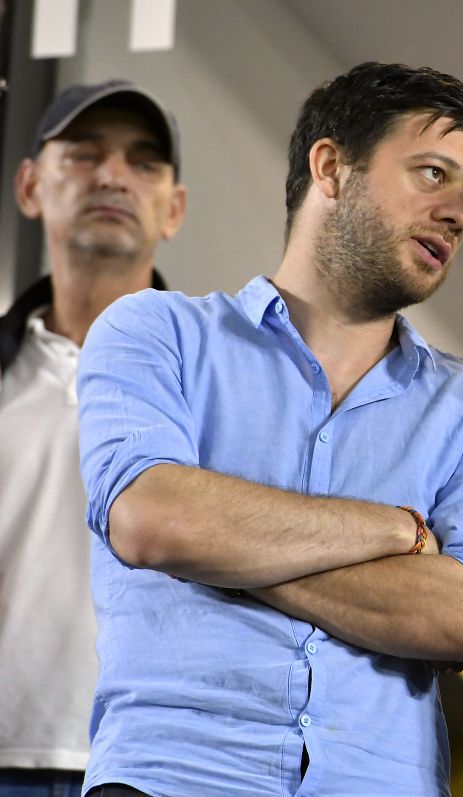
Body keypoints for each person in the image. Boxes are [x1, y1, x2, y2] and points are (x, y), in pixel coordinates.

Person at [75, 62, 463, 796]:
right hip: (172, 778)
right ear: (330, 167)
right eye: (433, 174)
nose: (459, 213)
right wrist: (397, 531)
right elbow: (152, 521)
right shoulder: (154, 332)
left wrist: (222, 546)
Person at [0, 79, 185, 797]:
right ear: (29, 186)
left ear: (174, 207)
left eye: (143, 160)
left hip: (149, 767)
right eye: (84, 152)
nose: (112, 175)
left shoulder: (220, 383)